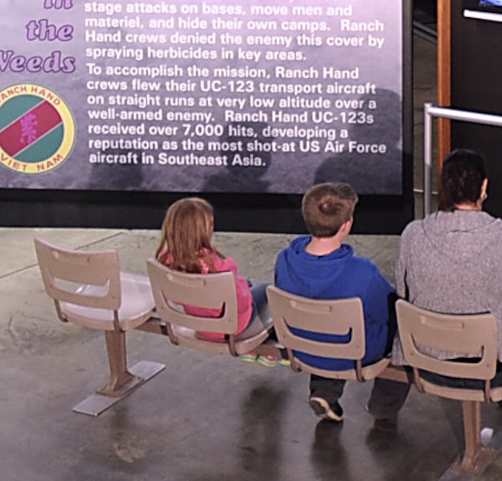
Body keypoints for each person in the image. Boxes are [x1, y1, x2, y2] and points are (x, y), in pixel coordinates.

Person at [396, 148, 502, 417]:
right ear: (484, 187)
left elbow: (402, 295)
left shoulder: (412, 235)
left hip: (428, 362)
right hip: (494, 371)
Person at [273, 181, 410, 424]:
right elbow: (385, 312)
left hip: (302, 346)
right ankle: (384, 404)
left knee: (323, 323)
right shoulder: (363, 272)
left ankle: (323, 391)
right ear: (346, 226)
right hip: (355, 353)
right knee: (401, 324)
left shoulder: (284, 260)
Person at [154, 198, 268, 354]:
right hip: (230, 327)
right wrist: (241, 285)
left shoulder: (167, 261)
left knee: (247, 283)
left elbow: (175, 298)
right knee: (267, 291)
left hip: (200, 323)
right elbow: (242, 303)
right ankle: (265, 351)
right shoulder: (218, 269)